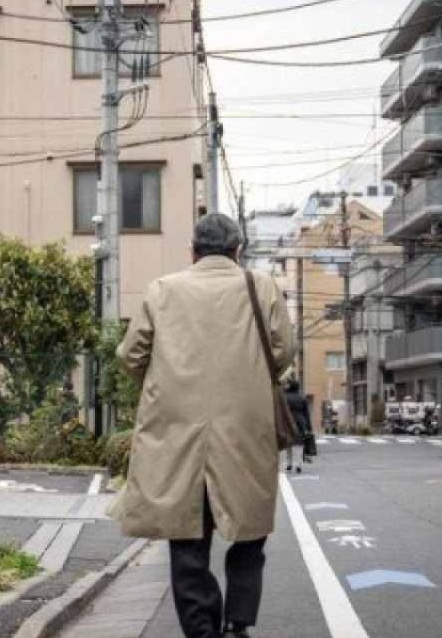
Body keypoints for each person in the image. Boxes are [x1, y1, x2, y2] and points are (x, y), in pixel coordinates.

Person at [111, 213, 295, 638]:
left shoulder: (163, 290)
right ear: (237, 251)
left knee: (187, 534)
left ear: (193, 252)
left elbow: (130, 355)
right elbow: (284, 350)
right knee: (250, 530)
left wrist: (163, 381)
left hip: (177, 429)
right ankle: (237, 623)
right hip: (246, 430)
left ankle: (201, 630)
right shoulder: (260, 286)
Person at [284, 378, 312, 473]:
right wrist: (308, 427)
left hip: (287, 421)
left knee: (288, 443)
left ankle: (289, 464)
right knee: (299, 443)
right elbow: (306, 413)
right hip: (300, 422)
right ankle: (298, 464)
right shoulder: (302, 397)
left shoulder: (285, 397)